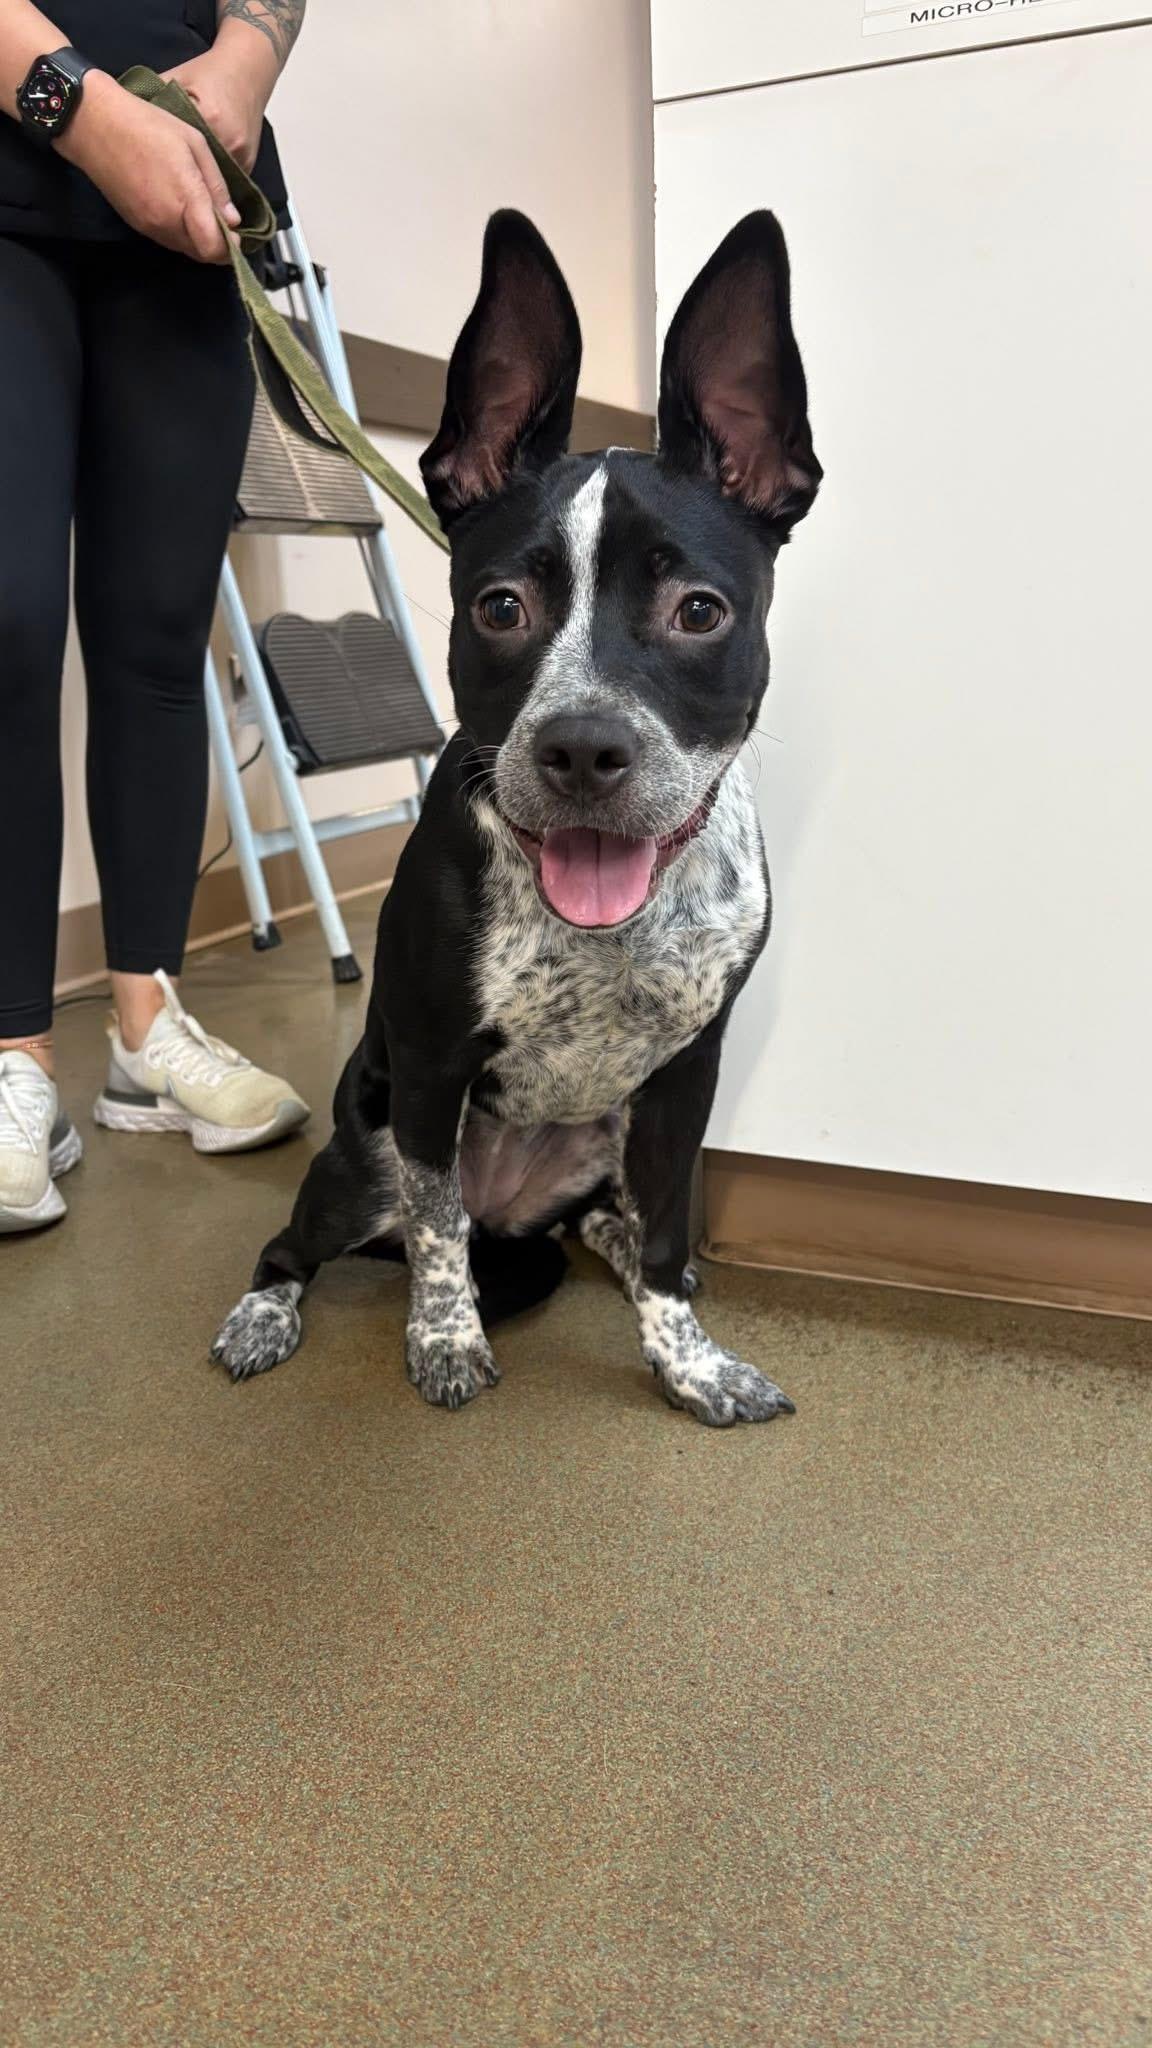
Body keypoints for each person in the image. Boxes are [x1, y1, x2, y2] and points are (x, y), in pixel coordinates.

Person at [0, 0, 311, 1234]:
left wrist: (245, 64)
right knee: (8, 624)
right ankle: (18, 1056)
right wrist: (79, 107)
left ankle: (145, 1023)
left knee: (159, 632)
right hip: (17, 159)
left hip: (193, 191)